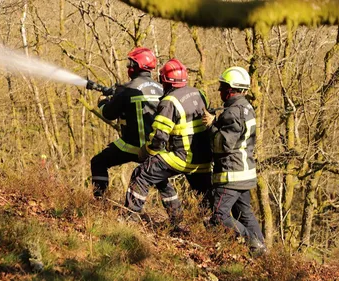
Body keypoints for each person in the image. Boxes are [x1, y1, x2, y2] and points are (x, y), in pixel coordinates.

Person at [124, 58, 212, 231]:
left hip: (182, 158)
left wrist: (147, 151)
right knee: (206, 197)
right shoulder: (200, 93)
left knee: (142, 173)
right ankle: (213, 231)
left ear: (164, 80)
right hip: (204, 159)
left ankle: (129, 220)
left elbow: (158, 137)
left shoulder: (169, 102)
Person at [202, 66, 267, 257]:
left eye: (222, 87)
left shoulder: (233, 112)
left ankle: (252, 243)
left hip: (231, 175)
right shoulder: (246, 107)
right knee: (245, 214)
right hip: (245, 174)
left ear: (231, 89)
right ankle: (262, 252)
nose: (219, 90)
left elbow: (222, 144)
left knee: (219, 216)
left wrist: (211, 125)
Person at [88, 47, 163, 198]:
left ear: (138, 66)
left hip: (132, 146)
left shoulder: (127, 89)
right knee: (161, 179)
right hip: (155, 147)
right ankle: (177, 214)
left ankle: (99, 201)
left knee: (98, 162)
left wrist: (103, 102)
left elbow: (109, 114)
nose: (128, 67)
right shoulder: (162, 88)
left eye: (131, 63)